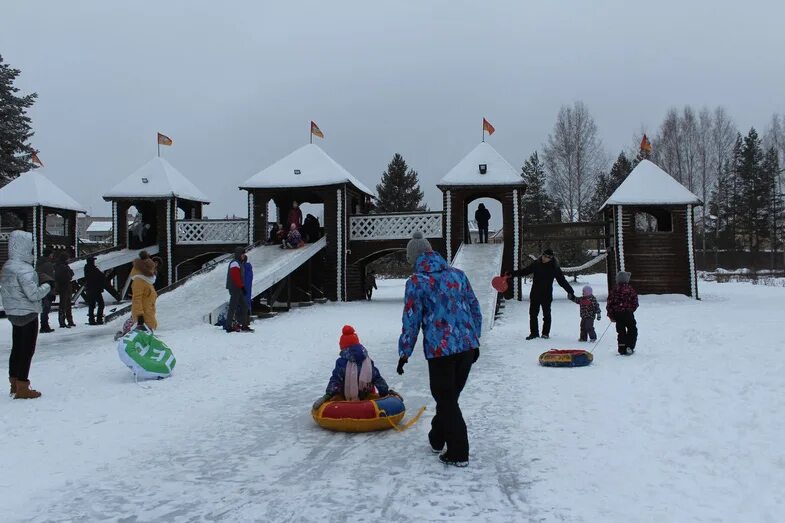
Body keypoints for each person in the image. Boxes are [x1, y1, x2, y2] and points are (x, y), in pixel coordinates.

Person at [397, 231, 482, 468]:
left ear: (413, 258)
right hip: (466, 347)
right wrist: (475, 339)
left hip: (440, 351)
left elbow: (411, 319)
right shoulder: (458, 275)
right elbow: (474, 307)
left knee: (446, 400)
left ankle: (458, 452)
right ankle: (437, 438)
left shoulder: (416, 282)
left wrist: (405, 352)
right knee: (449, 398)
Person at [1, 230, 53, 399]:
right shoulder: (25, 269)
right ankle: (23, 386)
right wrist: (47, 286)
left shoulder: (7, 267)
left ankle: (14, 383)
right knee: (27, 350)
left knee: (16, 348)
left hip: (13, 313)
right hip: (29, 314)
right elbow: (34, 295)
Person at [312, 325, 394, 409]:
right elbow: (377, 378)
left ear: (343, 347)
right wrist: (385, 393)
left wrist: (328, 395)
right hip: (367, 399)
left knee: (337, 395)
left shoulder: (342, 363)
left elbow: (336, 380)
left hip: (346, 401)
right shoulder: (368, 361)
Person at [509, 248, 574, 340]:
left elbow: (562, 281)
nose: (545, 258)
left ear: (551, 258)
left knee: (546, 315)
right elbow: (525, 271)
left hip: (546, 294)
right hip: (535, 293)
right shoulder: (536, 264)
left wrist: (570, 291)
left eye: (548, 257)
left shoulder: (554, 267)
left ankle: (545, 333)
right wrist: (512, 274)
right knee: (533, 314)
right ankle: (534, 333)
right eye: (544, 255)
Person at [607, 271, 639, 355]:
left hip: (618, 314)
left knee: (621, 331)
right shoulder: (630, 289)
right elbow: (635, 301)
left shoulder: (614, 290)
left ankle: (622, 347)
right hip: (628, 313)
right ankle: (630, 346)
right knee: (632, 329)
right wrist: (631, 309)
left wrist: (611, 315)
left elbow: (609, 303)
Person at [130, 250, 158, 331]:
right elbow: (136, 299)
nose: (153, 271)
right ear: (146, 269)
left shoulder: (147, 281)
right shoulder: (139, 280)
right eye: (152, 269)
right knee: (143, 342)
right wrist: (140, 317)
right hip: (143, 319)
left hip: (148, 315)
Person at [225, 247, 251, 333]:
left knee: (244, 306)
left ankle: (243, 324)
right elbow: (236, 277)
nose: (244, 256)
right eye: (242, 254)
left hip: (238, 288)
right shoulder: (234, 263)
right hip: (235, 288)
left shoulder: (239, 263)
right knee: (233, 307)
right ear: (239, 255)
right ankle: (229, 325)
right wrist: (242, 287)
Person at [35, 248, 56, 333]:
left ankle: (44, 325)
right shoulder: (48, 265)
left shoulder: (38, 263)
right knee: (46, 308)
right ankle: (45, 326)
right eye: (52, 254)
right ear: (49, 255)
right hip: (47, 287)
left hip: (40, 287)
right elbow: (51, 278)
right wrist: (53, 291)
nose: (52, 256)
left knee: (44, 307)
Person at [54, 251, 75, 328]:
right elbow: (69, 275)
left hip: (63, 286)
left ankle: (67, 321)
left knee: (65, 304)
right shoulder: (63, 266)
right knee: (65, 304)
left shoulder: (59, 266)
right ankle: (64, 321)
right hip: (64, 286)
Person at [84, 257, 107, 325]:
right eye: (93, 261)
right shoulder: (93, 269)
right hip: (95, 289)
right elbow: (101, 276)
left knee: (91, 305)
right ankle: (99, 319)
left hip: (89, 289)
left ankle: (91, 320)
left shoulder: (87, 269)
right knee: (101, 304)